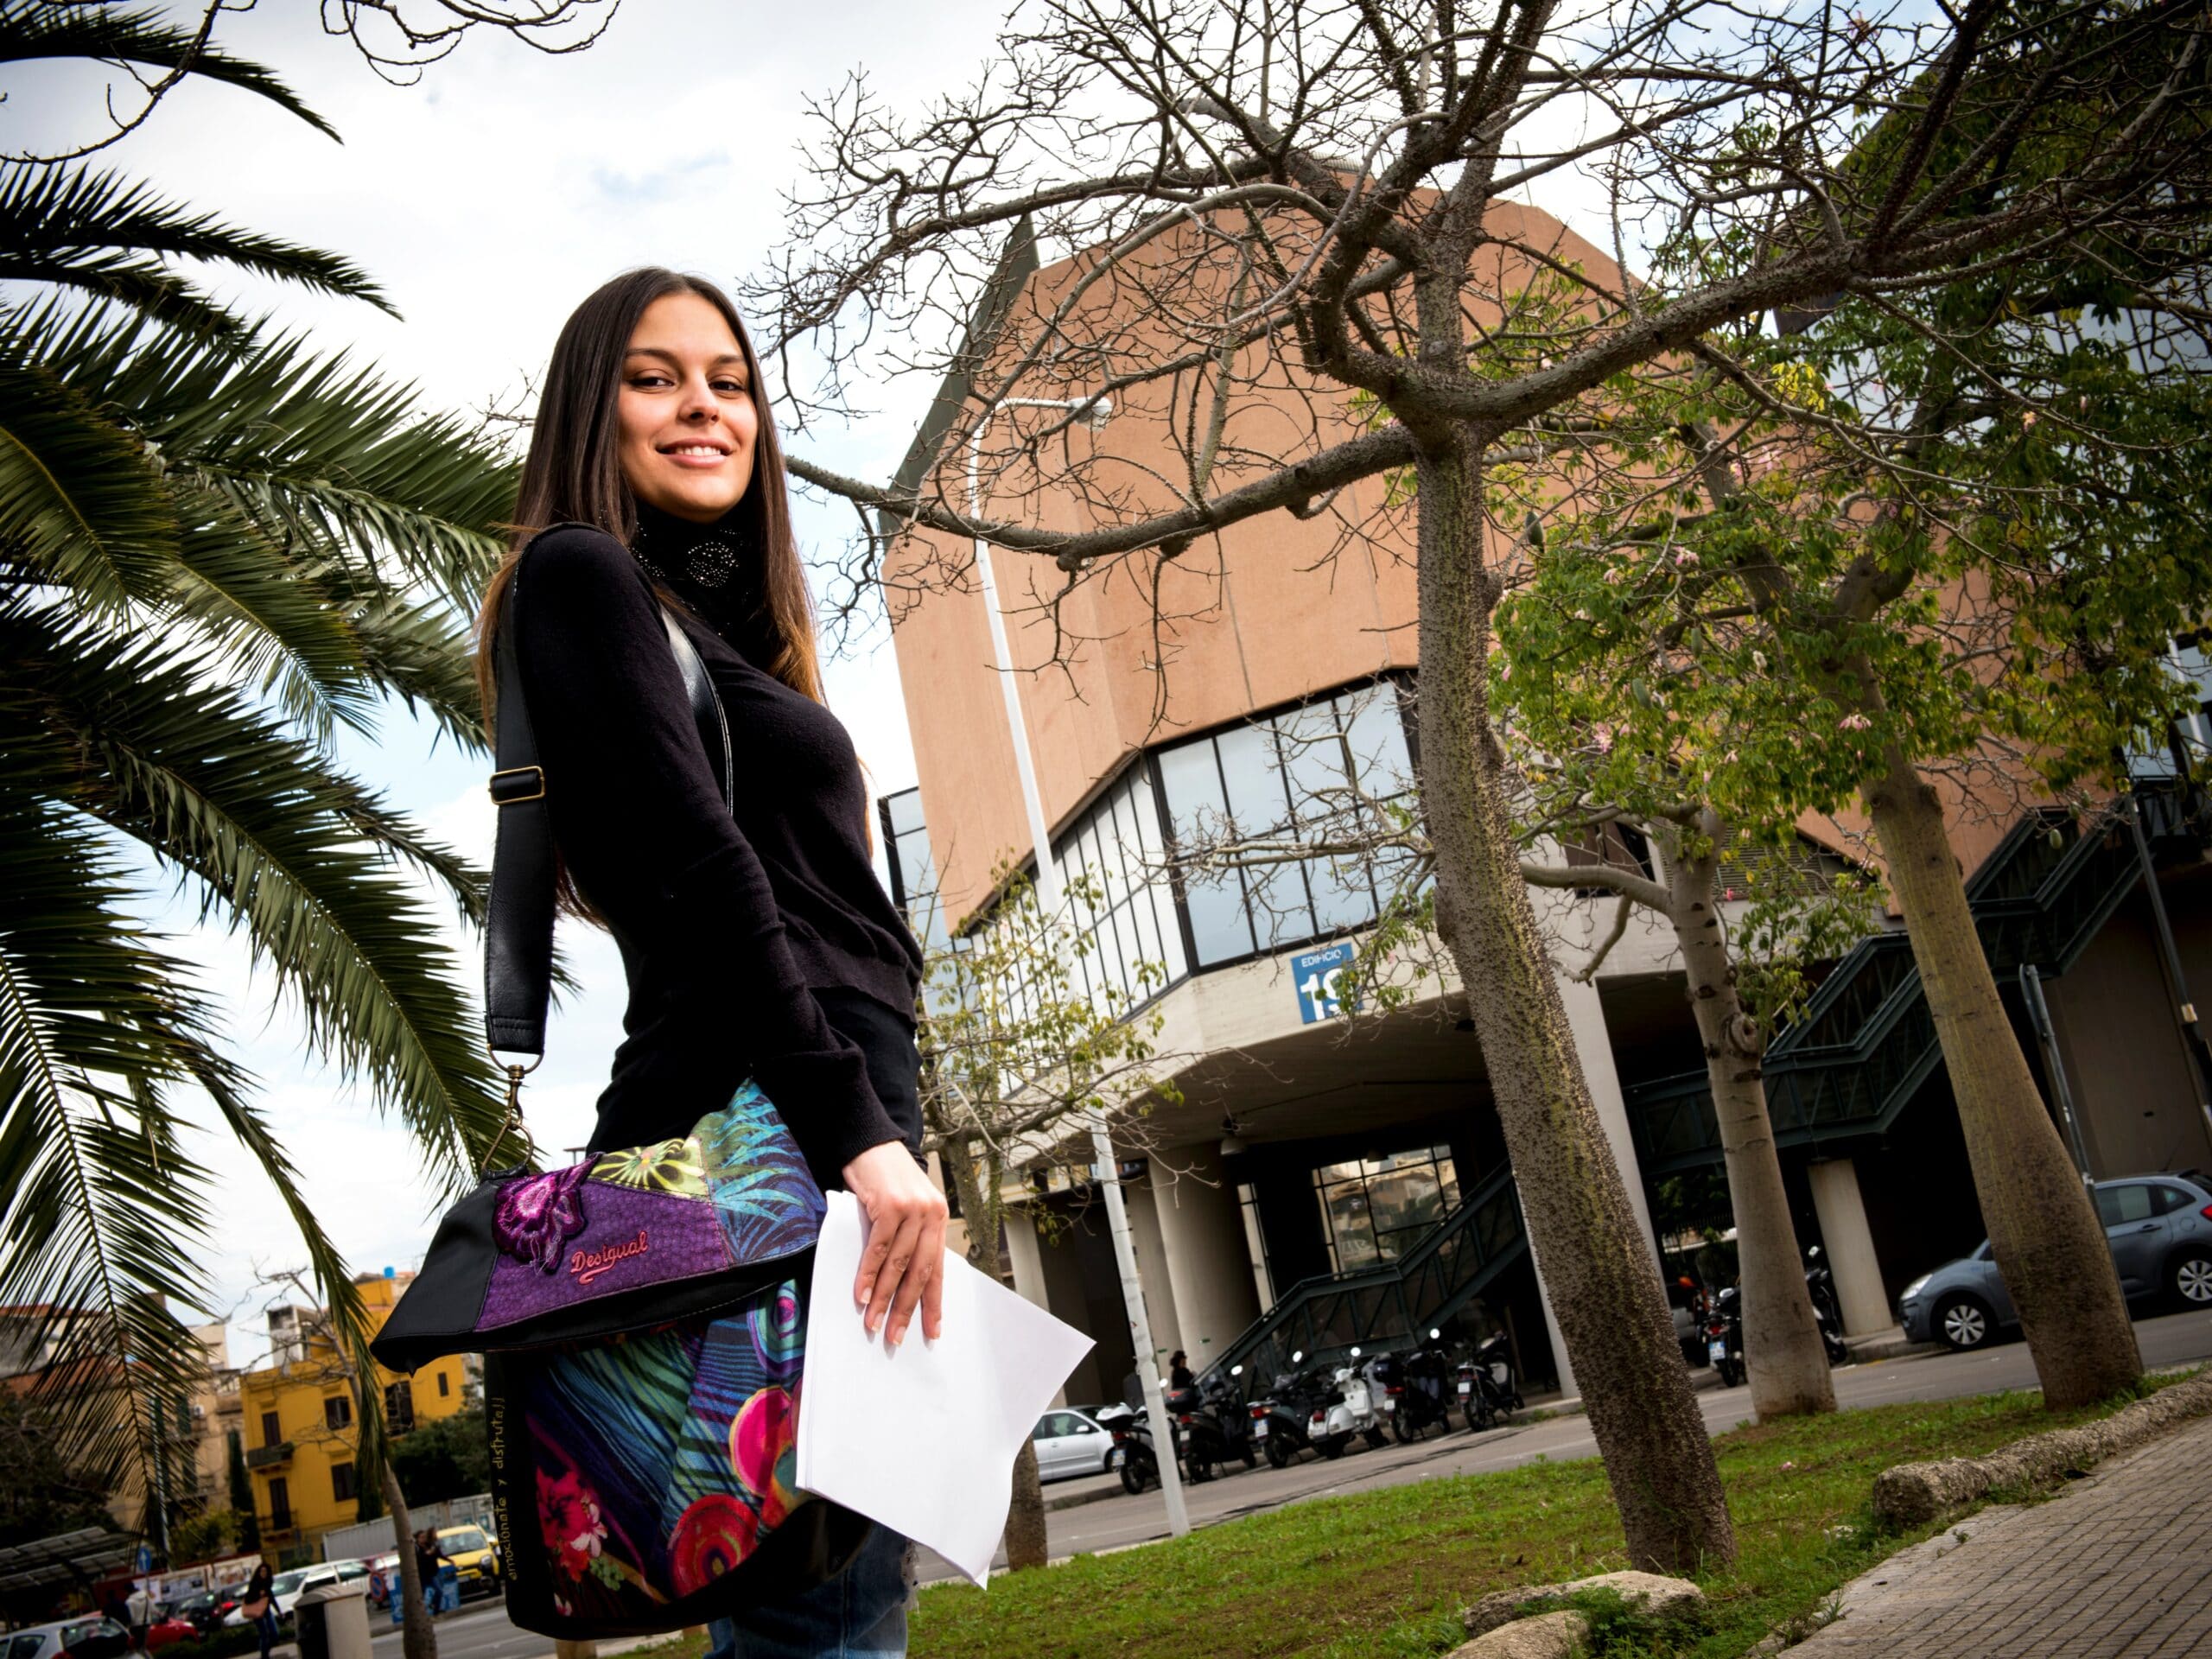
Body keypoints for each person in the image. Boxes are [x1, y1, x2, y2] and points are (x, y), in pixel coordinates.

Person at [480, 269, 947, 1656]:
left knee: (833, 1590)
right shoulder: (578, 573)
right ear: (591, 407)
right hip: (770, 1127)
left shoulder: (712, 639)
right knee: (826, 1608)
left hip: (822, 1115)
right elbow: (701, 868)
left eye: (730, 380)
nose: (704, 405)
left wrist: (881, 1133)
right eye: (655, 375)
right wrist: (858, 1138)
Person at [238, 1563, 276, 1659]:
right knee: (264, 1634)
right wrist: (259, 1594)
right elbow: (248, 1599)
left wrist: (279, 1611)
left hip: (266, 1611)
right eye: (262, 1571)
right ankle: (264, 1656)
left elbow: (271, 1598)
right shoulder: (255, 1583)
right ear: (258, 1572)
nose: (264, 1573)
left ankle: (265, 1651)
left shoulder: (268, 1583)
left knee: (274, 1633)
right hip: (257, 1613)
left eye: (266, 1571)